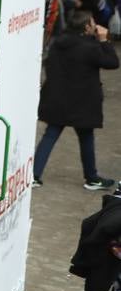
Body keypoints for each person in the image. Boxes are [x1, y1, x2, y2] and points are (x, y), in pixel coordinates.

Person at [33, 10, 118, 190]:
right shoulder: (92, 47)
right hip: (83, 102)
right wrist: (104, 40)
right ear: (87, 27)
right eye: (93, 23)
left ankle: (34, 175)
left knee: (50, 135)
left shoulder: (58, 43)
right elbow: (112, 62)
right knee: (86, 137)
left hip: (58, 99)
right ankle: (92, 178)